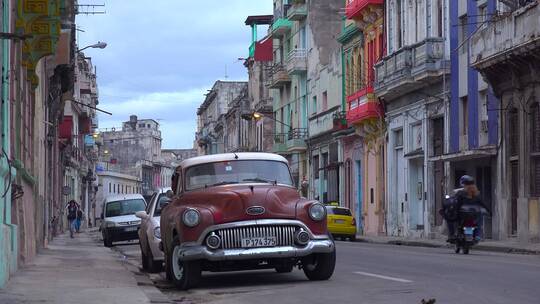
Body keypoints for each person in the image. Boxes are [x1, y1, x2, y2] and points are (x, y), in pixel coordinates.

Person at [448, 175, 491, 242]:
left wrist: (454, 210)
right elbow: (482, 203)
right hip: (474, 214)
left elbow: (457, 203)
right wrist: (489, 211)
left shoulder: (460, 193)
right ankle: (478, 235)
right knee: (479, 221)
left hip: (463, 214)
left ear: (463, 184)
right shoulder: (477, 193)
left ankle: (453, 235)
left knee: (452, 220)